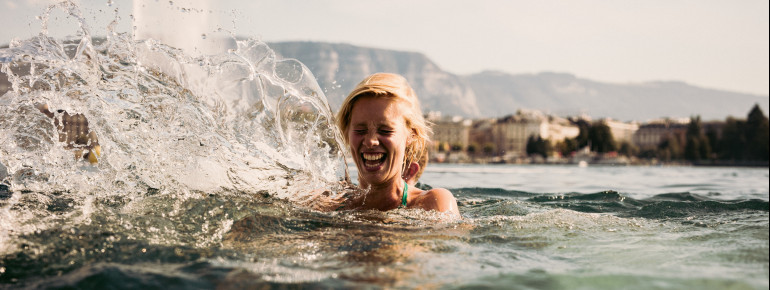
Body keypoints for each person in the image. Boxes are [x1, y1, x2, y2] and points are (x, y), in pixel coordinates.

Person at [334, 73, 459, 216]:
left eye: (385, 131)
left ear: (411, 135)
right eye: (360, 130)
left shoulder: (433, 203)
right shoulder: (328, 205)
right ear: (347, 133)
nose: (370, 141)